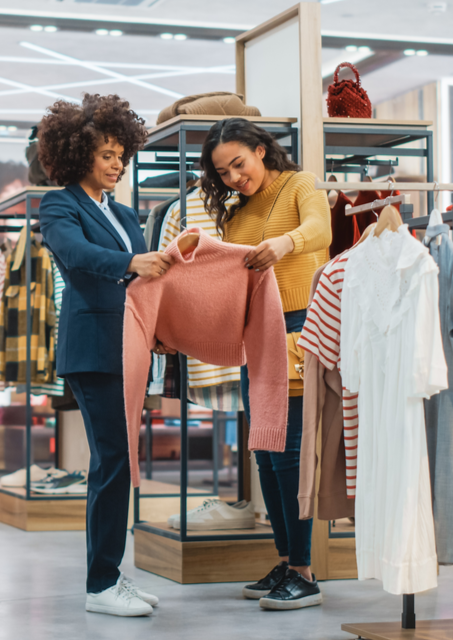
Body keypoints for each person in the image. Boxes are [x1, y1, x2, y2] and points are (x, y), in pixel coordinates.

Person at [37, 93, 175, 617]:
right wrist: (133, 261)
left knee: (121, 462)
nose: (116, 165)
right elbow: (75, 255)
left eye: (121, 155)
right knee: (113, 460)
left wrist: (160, 327)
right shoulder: (60, 204)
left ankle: (113, 574)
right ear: (78, 156)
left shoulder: (120, 211)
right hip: (93, 350)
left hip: (131, 346)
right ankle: (100, 585)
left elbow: (142, 283)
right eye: (106, 155)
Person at [200, 117, 332, 610]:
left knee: (291, 452)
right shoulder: (235, 212)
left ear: (260, 150)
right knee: (265, 452)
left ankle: (304, 570)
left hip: (298, 329)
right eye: (224, 172)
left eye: (239, 163)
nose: (235, 177)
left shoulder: (300, 184)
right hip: (256, 333)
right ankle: (286, 558)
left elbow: (320, 231)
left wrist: (285, 243)